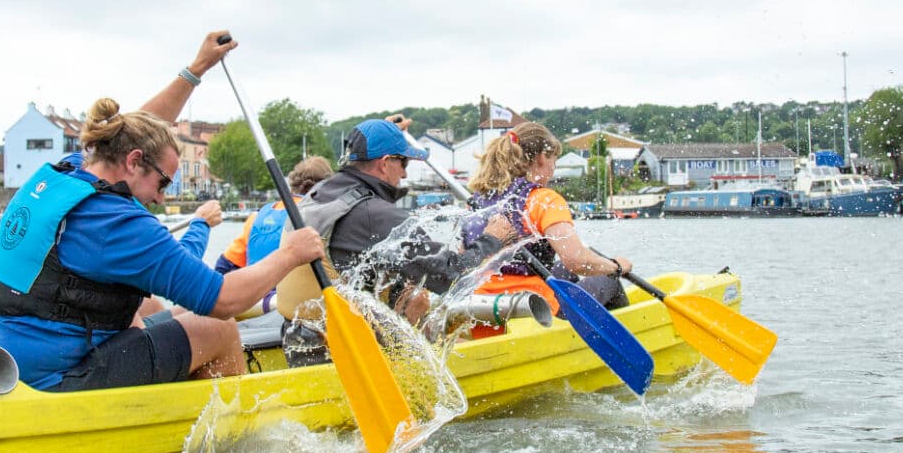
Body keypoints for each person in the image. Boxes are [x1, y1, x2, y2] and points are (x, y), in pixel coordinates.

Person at [0, 30, 327, 392]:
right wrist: (291, 253)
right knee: (218, 328)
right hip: (47, 380)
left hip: (1, 349)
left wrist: (197, 69)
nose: (159, 198)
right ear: (134, 162)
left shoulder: (69, 172)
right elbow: (222, 299)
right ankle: (235, 439)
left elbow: (134, 129)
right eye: (163, 183)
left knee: (153, 308)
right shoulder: (120, 224)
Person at [276, 118, 516, 323]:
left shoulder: (319, 192)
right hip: (341, 347)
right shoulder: (376, 215)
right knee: (419, 297)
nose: (405, 174)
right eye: (404, 163)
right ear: (384, 162)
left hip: (297, 332)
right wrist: (492, 239)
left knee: (407, 292)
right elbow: (448, 276)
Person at [462, 122, 632, 330]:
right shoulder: (543, 200)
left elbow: (462, 266)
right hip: (533, 313)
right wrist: (616, 266)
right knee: (608, 279)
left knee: (561, 271)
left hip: (483, 310)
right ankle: (625, 335)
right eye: (554, 160)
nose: (553, 168)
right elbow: (577, 261)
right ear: (542, 157)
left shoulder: (476, 202)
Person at [215, 156, 334, 274]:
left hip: (256, 289)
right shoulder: (320, 216)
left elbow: (224, 265)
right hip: (289, 291)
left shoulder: (256, 217)